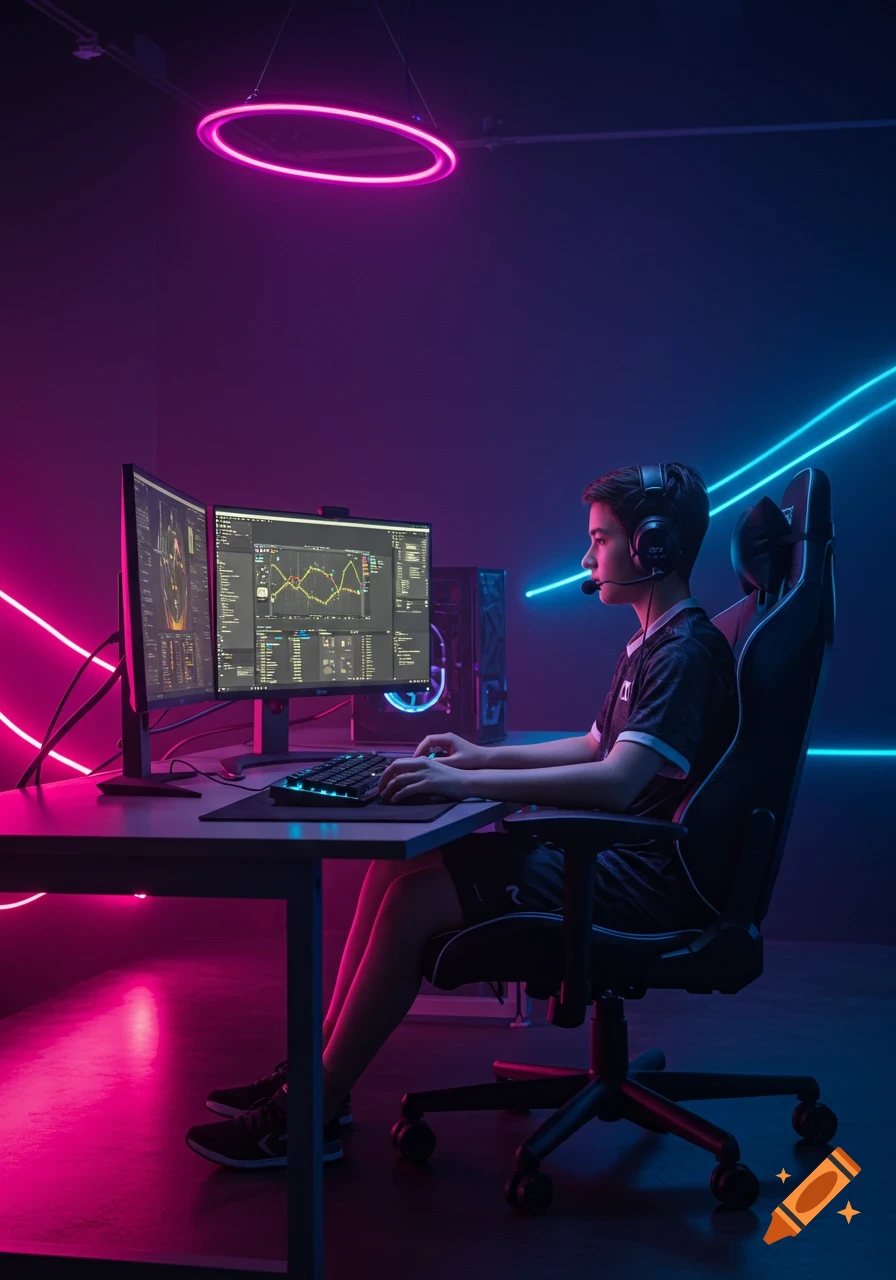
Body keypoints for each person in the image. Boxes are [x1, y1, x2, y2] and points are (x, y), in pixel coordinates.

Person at [185, 461, 739, 1170]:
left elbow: (619, 783)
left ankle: (313, 1111)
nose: (585, 557)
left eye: (598, 540)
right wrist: (473, 760)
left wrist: (461, 774)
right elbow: (599, 746)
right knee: (398, 857)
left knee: (416, 899)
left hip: (637, 883)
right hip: (623, 862)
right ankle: (318, 1073)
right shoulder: (655, 645)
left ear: (650, 548)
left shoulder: (684, 653)